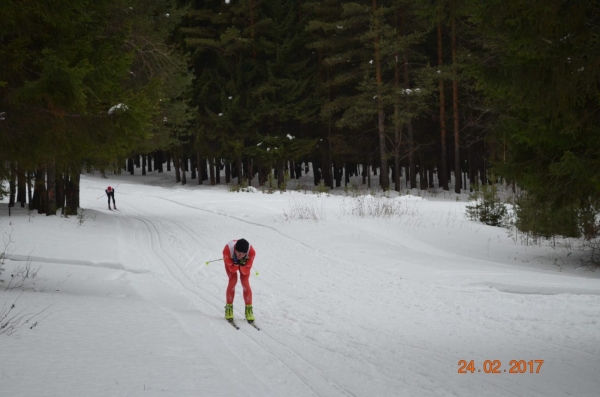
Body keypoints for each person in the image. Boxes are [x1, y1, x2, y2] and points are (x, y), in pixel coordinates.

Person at [222, 238, 256, 322]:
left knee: (245, 282)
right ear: (235, 250)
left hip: (241, 264)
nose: (240, 255)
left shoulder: (251, 252)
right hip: (231, 261)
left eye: (243, 254)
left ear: (246, 253)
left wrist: (242, 264)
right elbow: (232, 270)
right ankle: (229, 309)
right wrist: (236, 264)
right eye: (238, 253)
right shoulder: (227, 250)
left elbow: (245, 271)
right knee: (233, 280)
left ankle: (249, 311)